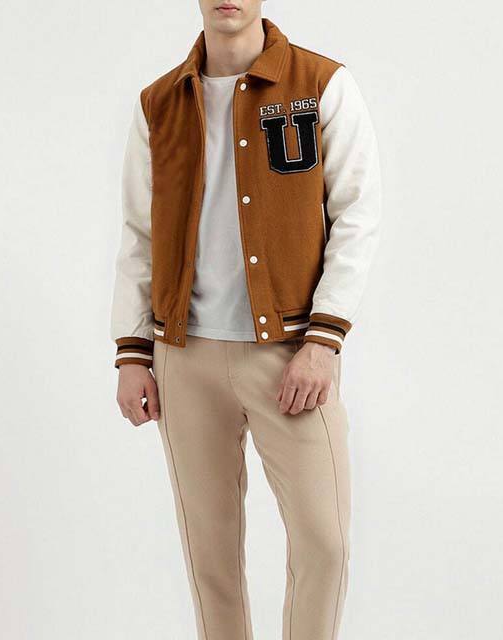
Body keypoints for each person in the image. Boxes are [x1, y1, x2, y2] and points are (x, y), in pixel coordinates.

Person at [110, 2, 381, 639]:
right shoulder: (158, 104)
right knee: (210, 558)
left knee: (324, 542)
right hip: (184, 358)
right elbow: (139, 233)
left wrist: (323, 341)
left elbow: (357, 215)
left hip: (290, 355)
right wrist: (132, 352)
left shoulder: (321, 85)